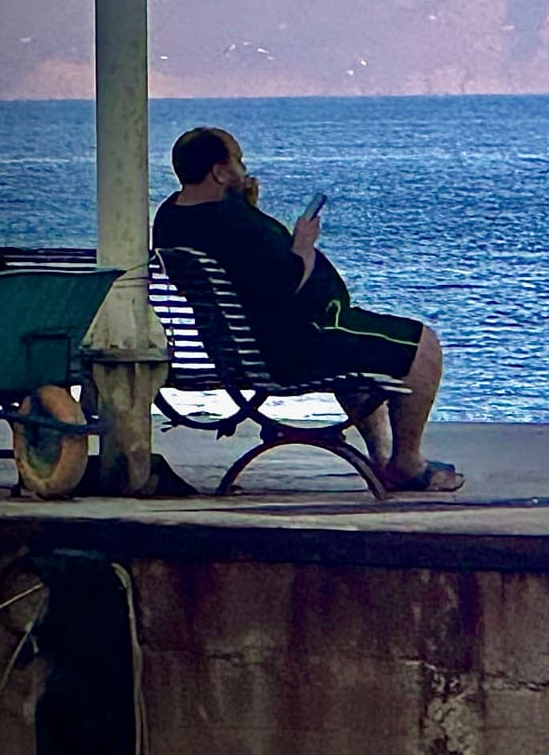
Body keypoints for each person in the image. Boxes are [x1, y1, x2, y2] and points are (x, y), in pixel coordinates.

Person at [154, 127, 462, 493]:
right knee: (422, 345)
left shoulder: (172, 217)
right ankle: (407, 463)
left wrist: (245, 204)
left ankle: (381, 458)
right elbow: (282, 285)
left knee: (361, 343)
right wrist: (302, 244)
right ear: (219, 172)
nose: (243, 167)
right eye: (238, 160)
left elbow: (249, 277)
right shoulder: (229, 223)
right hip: (295, 346)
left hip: (254, 346)